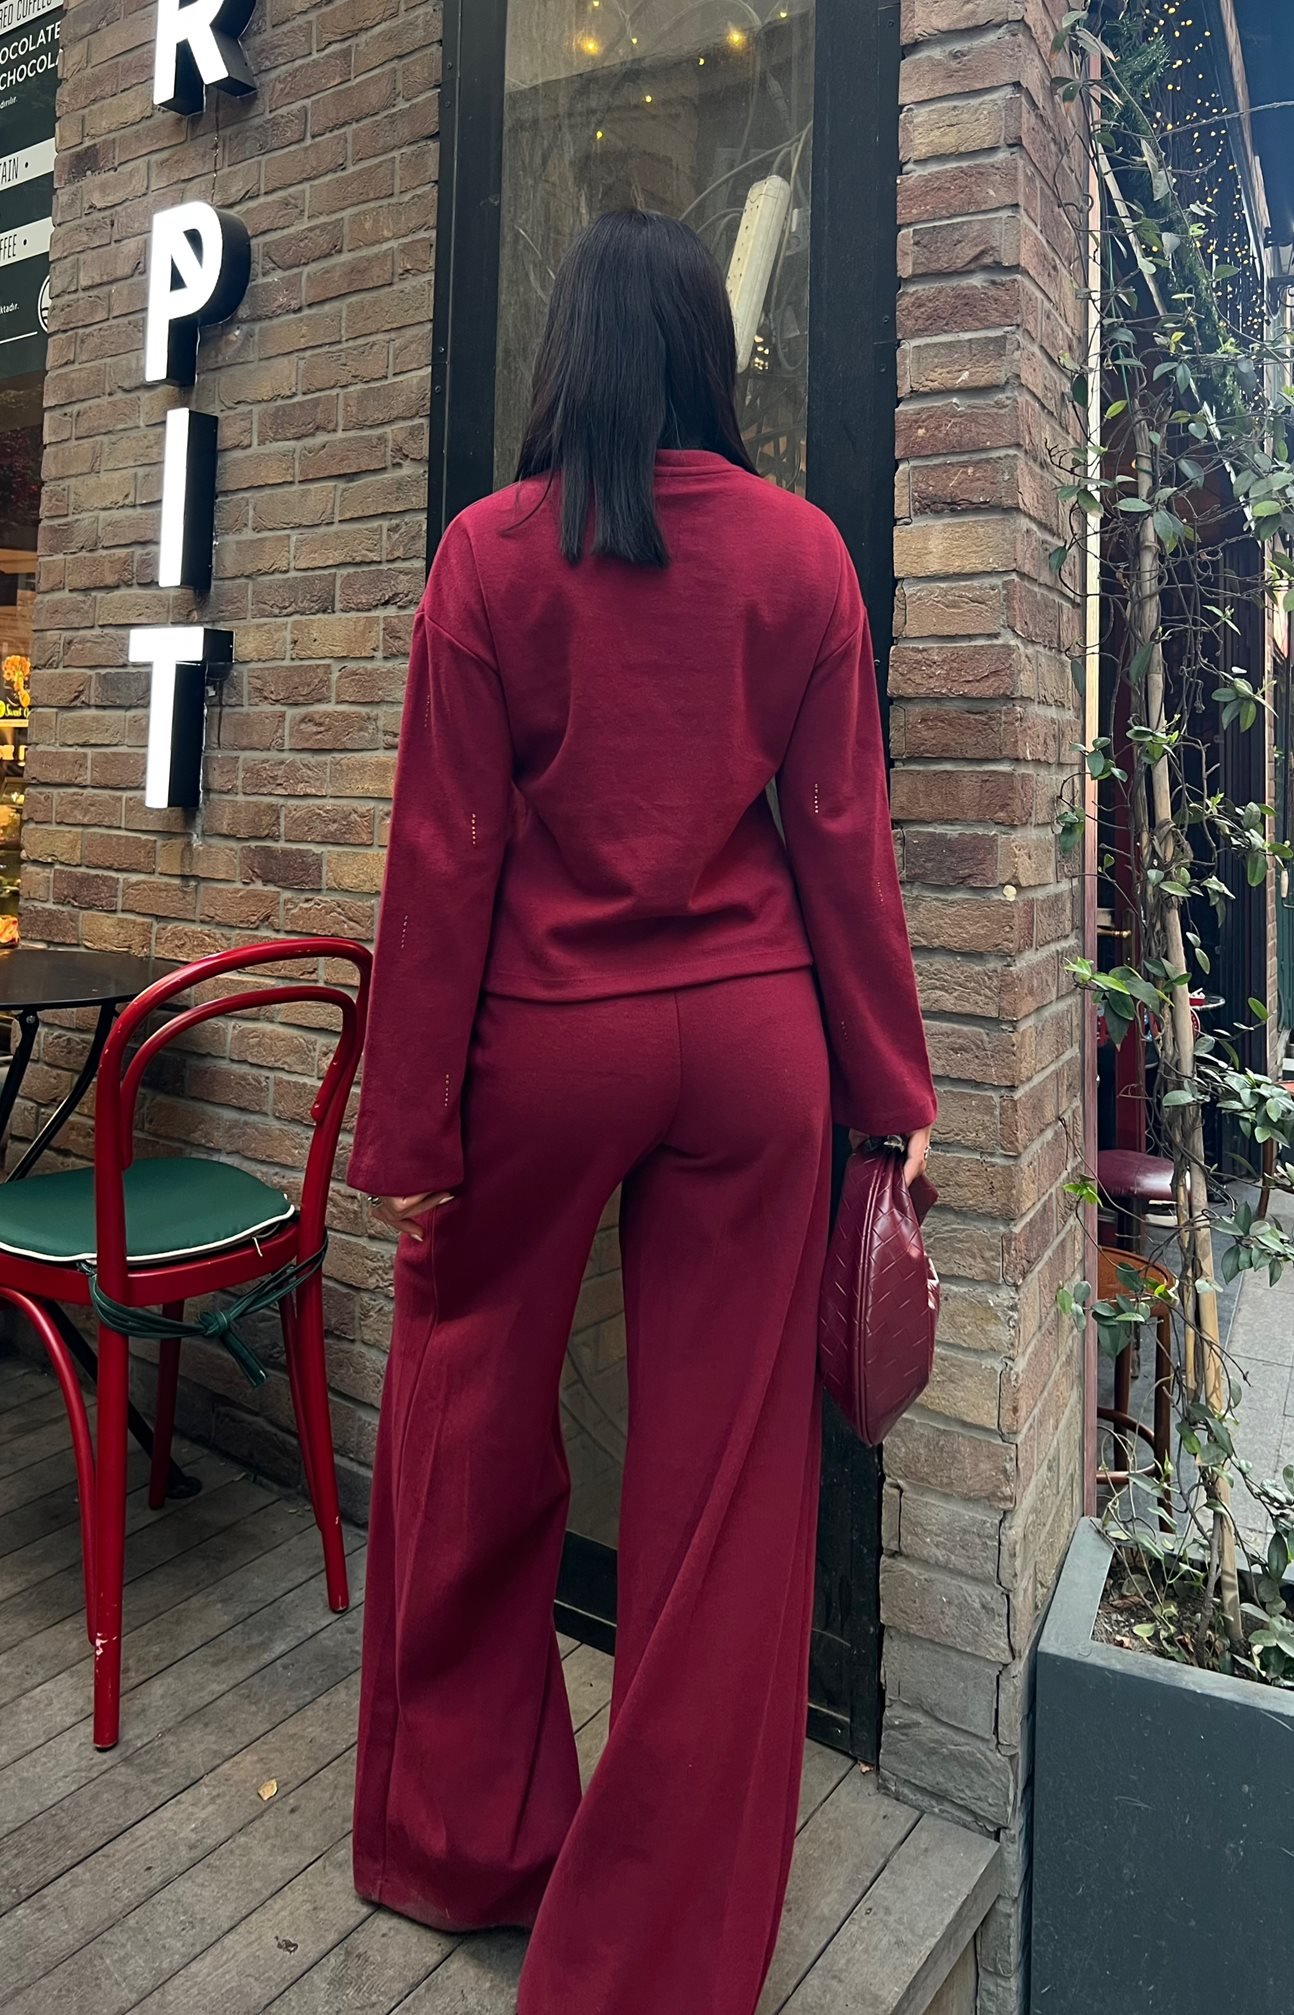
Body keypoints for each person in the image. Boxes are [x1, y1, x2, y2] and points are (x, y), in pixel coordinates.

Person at [347, 208, 936, 2015]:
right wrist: (892, 1091)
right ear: (711, 355)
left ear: (565, 357)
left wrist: (409, 1138)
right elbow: (841, 841)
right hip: (755, 1054)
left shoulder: (487, 556)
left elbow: (441, 862)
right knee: (726, 1496)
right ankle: (655, 1959)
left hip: (544, 1047)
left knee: (464, 1420)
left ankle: (468, 1841)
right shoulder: (801, 556)